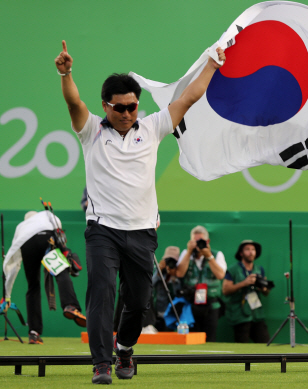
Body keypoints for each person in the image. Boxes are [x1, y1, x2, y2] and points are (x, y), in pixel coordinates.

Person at [55, 40, 225, 384]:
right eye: (119, 108)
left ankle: (126, 349)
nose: (127, 113)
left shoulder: (152, 128)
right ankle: (102, 363)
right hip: (102, 229)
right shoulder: (91, 131)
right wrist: (66, 73)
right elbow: (74, 101)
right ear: (106, 106)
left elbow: (189, 97)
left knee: (139, 300)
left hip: (143, 232)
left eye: (132, 106)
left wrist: (212, 64)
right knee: (101, 294)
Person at [3, 211, 86, 344]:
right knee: (60, 272)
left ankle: (33, 333)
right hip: (47, 239)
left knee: (33, 286)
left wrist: (6, 295)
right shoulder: (46, 214)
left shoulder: (21, 227)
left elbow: (14, 264)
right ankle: (70, 305)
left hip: (27, 245)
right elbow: (57, 225)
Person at [175, 226, 226, 341]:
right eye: (195, 241)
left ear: (207, 242)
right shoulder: (186, 253)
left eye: (200, 241)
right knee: (191, 338)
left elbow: (220, 275)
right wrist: (188, 252)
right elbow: (179, 273)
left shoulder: (217, 254)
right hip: (191, 303)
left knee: (210, 338)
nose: (197, 244)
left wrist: (208, 256)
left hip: (211, 304)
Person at [222, 240, 271, 343]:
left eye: (253, 249)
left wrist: (263, 287)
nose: (251, 252)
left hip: (256, 313)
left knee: (264, 342)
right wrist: (244, 283)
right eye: (247, 249)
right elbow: (225, 290)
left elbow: (266, 293)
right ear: (241, 253)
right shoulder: (233, 269)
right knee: (242, 345)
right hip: (239, 314)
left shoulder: (259, 269)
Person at [153, 246, 183, 331]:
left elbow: (177, 293)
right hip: (159, 309)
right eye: (168, 260)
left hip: (173, 311)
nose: (170, 263)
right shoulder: (158, 271)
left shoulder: (179, 273)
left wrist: (174, 277)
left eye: (173, 261)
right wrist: (159, 271)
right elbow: (150, 284)